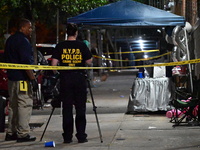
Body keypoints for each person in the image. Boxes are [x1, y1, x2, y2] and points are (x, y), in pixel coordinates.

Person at [51, 23, 92, 143]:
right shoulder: (81, 45)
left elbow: (53, 65)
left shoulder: (60, 46)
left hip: (65, 80)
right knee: (80, 108)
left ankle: (67, 137)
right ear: (76, 33)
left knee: (67, 109)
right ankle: (81, 136)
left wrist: (58, 74)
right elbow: (89, 61)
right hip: (79, 79)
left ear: (66, 33)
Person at [4, 18, 38, 142]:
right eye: (29, 27)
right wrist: (32, 79)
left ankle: (11, 132)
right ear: (22, 27)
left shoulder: (10, 40)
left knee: (13, 106)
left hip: (11, 79)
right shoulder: (23, 41)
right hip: (22, 80)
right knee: (24, 105)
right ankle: (23, 133)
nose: (30, 30)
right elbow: (25, 64)